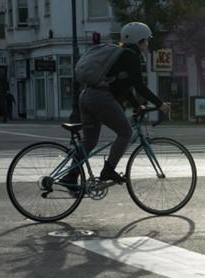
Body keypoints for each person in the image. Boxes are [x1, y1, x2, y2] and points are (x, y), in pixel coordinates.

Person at [62, 22, 170, 187]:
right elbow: (139, 86)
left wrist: (136, 105)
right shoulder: (130, 56)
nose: (147, 44)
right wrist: (160, 104)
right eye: (146, 41)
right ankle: (108, 170)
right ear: (138, 40)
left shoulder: (119, 54)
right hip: (100, 98)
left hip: (87, 96)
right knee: (125, 132)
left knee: (89, 142)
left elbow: (124, 86)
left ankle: (70, 176)